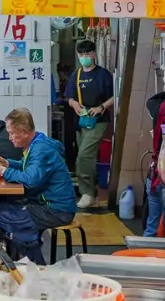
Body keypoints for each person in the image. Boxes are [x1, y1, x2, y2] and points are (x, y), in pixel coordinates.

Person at [0, 108, 77, 264]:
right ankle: (28, 250)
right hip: (46, 205)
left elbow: (31, 179)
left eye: (12, 133)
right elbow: (28, 166)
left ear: (24, 131)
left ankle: (35, 262)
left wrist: (2, 170)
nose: (10, 138)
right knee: (0, 207)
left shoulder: (41, 149)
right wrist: (8, 164)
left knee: (2, 212)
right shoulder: (36, 144)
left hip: (56, 210)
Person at [65, 39, 115, 209]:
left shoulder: (103, 75)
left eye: (87, 54)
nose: (84, 57)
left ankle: (86, 193)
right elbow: (69, 97)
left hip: (98, 121)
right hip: (81, 121)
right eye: (81, 55)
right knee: (86, 158)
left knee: (84, 156)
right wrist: (74, 104)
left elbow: (115, 96)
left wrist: (101, 107)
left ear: (94, 54)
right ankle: (91, 194)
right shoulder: (76, 75)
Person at [143, 91, 165, 238]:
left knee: (152, 226)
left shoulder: (157, 108)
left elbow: (151, 100)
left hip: (155, 175)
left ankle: (145, 257)